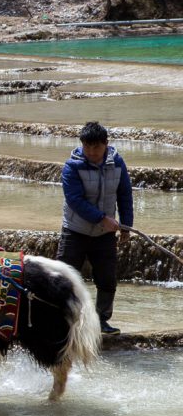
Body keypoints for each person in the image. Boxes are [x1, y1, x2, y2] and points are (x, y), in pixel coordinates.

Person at [58, 121, 133, 335]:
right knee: (65, 278)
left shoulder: (117, 164)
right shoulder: (72, 166)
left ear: (106, 144)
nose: (91, 152)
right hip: (75, 231)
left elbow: (125, 195)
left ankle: (101, 321)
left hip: (104, 234)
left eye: (96, 147)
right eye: (87, 147)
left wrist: (126, 226)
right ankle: (63, 321)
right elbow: (75, 200)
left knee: (107, 279)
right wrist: (102, 218)